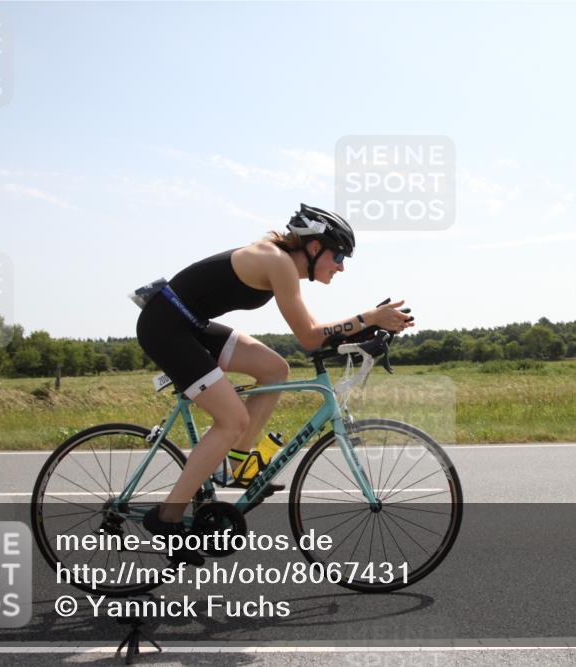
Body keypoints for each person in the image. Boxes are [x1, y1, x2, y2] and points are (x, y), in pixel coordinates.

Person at [135, 203, 414, 563]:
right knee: (232, 420)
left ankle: (237, 464)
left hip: (189, 323)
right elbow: (310, 336)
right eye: (338, 256)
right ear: (314, 247)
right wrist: (368, 318)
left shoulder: (281, 263)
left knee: (274, 369)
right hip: (166, 327)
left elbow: (316, 334)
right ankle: (167, 517)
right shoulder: (278, 261)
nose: (341, 266)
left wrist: (363, 329)